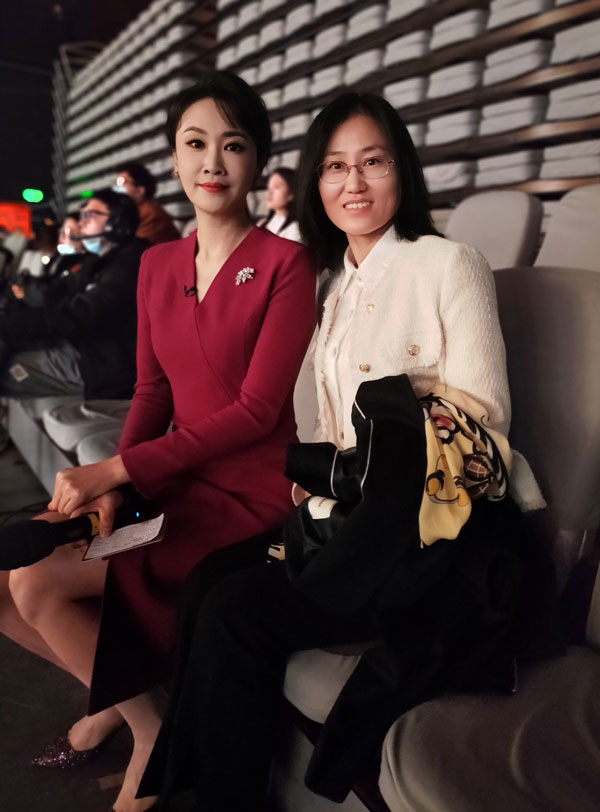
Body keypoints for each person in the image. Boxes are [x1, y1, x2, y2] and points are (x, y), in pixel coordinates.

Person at [136, 92, 538, 812]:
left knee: (236, 611)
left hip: (430, 541)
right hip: (352, 527)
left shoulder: (450, 263)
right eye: (334, 167)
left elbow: (484, 424)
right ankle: (180, 785)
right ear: (315, 183)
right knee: (206, 582)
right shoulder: (332, 285)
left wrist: (355, 482)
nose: (353, 183)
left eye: (372, 162)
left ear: (401, 169)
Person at [1, 71, 316, 812]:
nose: (212, 162)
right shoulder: (157, 263)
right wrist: (119, 485)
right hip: (173, 479)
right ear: (174, 158)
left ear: (256, 158)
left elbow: (255, 412)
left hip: (246, 494)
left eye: (232, 145)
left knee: (39, 585)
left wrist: (116, 466)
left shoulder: (286, 264)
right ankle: (125, 700)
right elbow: (151, 392)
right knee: (7, 576)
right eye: (195, 143)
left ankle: (151, 732)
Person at [0, 190, 145, 400]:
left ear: (117, 223)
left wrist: (11, 326)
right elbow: (56, 293)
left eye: (89, 216)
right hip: (83, 346)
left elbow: (79, 316)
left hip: (102, 365)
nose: (81, 223)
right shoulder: (98, 260)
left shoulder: (131, 264)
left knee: (8, 370)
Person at [113, 161, 181, 245]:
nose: (117, 188)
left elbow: (131, 247)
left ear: (140, 189)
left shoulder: (151, 215)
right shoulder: (132, 213)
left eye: (122, 183)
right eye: (116, 183)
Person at [258, 166, 302, 242]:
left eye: (276, 187)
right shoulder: (262, 223)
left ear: (291, 193)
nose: (270, 192)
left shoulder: (295, 229)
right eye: (268, 188)